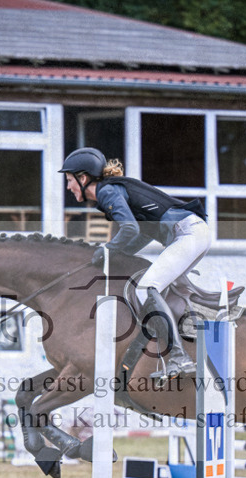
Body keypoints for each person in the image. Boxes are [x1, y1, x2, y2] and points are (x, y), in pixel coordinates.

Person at [59, 146, 211, 380]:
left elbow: (130, 229)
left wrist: (107, 249)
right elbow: (143, 232)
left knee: (145, 289)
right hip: (191, 232)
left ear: (83, 178)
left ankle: (179, 357)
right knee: (165, 290)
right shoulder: (113, 190)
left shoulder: (107, 192)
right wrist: (117, 254)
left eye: (69, 180)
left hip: (186, 233)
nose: (68, 187)